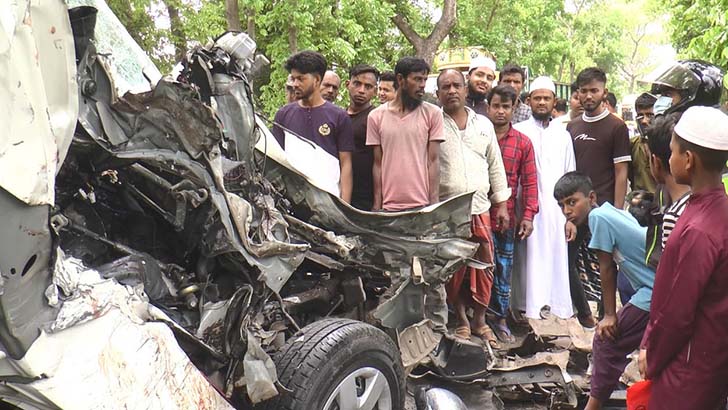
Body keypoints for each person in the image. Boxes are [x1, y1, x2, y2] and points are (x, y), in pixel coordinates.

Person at [638, 106, 728, 409]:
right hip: (706, 361)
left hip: (687, 368)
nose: (669, 157)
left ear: (687, 160)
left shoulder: (700, 229)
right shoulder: (711, 209)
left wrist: (653, 354)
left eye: (673, 150)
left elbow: (677, 311)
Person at [554, 172, 655, 410]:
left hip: (653, 291)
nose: (568, 211)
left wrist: (609, 316)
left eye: (572, 202)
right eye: (562, 206)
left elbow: (607, 268)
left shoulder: (598, 217)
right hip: (654, 287)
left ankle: (593, 406)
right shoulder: (609, 211)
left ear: (591, 197)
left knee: (605, 341)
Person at [366, 57, 446, 329]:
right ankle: (397, 332)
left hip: (422, 209)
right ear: (400, 80)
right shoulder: (376, 117)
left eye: (425, 79)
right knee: (397, 277)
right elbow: (377, 164)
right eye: (417, 79)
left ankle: (437, 331)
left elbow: (433, 162)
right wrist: (378, 208)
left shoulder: (432, 115)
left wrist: (434, 208)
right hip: (391, 212)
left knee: (432, 276)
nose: (422, 85)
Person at [436, 69, 511, 347]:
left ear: (466, 90)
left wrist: (501, 204)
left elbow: (495, 166)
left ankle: (480, 321)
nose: (452, 90)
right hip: (447, 212)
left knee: (484, 266)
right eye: (446, 87)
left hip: (480, 208)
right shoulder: (433, 124)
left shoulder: (484, 124)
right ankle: (462, 321)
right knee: (453, 269)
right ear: (438, 94)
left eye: (457, 85)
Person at [511, 76, 575, 320]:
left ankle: (556, 307)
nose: (541, 102)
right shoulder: (519, 131)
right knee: (526, 260)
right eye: (537, 98)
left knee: (555, 257)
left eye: (546, 98)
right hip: (525, 209)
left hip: (557, 211)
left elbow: (570, 176)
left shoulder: (563, 135)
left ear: (553, 101)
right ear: (529, 100)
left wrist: (570, 217)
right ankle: (525, 308)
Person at [486, 84, 539, 342]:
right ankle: (476, 318)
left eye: (506, 107)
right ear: (488, 107)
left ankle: (500, 318)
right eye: (496, 106)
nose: (500, 111)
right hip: (475, 214)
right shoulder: (478, 137)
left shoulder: (522, 143)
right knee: (477, 268)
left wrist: (528, 215)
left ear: (514, 108)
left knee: (503, 268)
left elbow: (529, 182)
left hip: (505, 217)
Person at [272, 51, 354, 203]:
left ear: (316, 80)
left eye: (301, 79)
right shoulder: (283, 115)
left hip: (329, 202)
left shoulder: (339, 117)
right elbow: (276, 161)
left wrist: (345, 207)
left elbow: (346, 164)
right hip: (292, 204)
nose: (295, 84)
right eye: (293, 78)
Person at [568, 67, 631, 209]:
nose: (588, 96)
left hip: (605, 207)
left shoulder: (617, 126)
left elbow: (621, 172)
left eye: (594, 90)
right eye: (584, 91)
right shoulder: (572, 127)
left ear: (604, 93)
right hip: (578, 209)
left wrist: (617, 210)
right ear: (578, 93)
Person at [346, 64, 380, 211]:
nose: (361, 90)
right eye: (357, 84)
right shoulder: (337, 117)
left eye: (368, 86)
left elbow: (381, 163)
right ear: (348, 84)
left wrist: (378, 203)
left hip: (367, 199)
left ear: (375, 91)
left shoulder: (377, 118)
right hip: (338, 194)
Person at [642, 59, 724, 116]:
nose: (661, 101)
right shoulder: (669, 132)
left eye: (668, 94)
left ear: (696, 98)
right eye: (662, 95)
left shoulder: (702, 136)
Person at [629, 93, 658, 193]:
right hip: (640, 203)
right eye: (640, 116)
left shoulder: (669, 145)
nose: (644, 121)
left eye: (650, 115)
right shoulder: (632, 145)